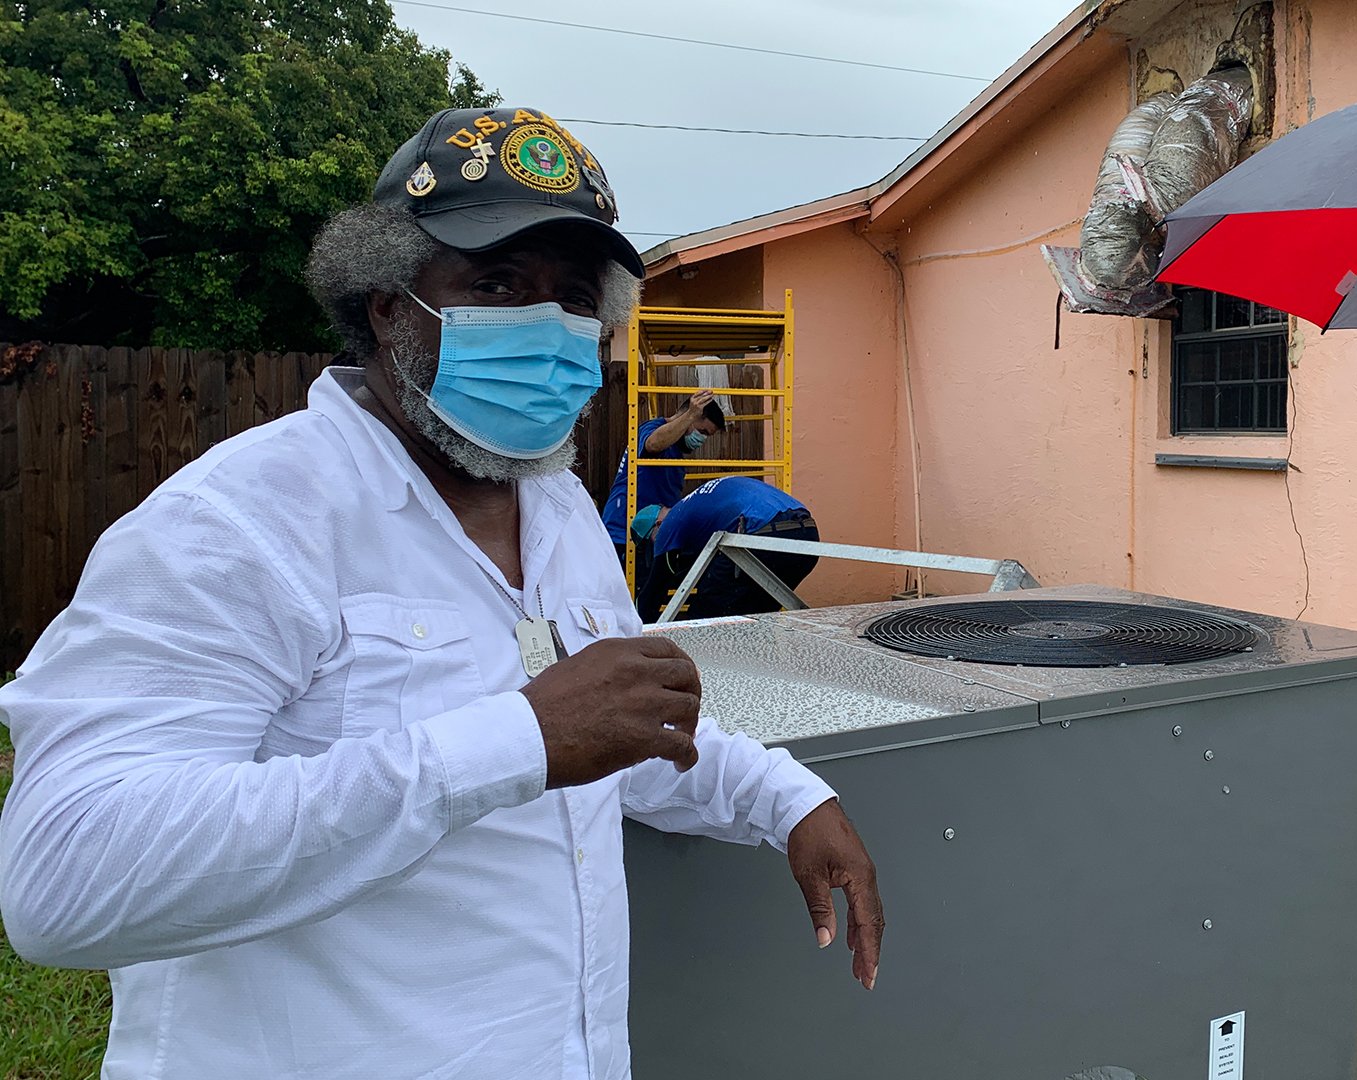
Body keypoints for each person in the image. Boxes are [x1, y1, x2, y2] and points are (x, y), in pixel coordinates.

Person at [0, 107, 882, 1080]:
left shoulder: (558, 510)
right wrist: (512, 740)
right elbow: (66, 878)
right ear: (387, 303)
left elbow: (618, 731)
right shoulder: (240, 521)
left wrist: (784, 799)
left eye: (574, 298)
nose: (546, 327)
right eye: (497, 283)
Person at [634, 476, 820, 620]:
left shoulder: (670, 523)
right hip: (807, 533)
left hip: (764, 532)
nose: (657, 545)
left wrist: (640, 627)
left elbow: (657, 584)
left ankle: (702, 657)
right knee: (756, 616)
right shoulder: (695, 506)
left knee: (705, 612)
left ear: (657, 524)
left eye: (652, 541)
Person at [600, 390, 725, 548]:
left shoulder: (676, 452)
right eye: (702, 432)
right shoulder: (653, 429)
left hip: (647, 534)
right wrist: (690, 415)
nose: (702, 439)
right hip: (623, 532)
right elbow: (652, 445)